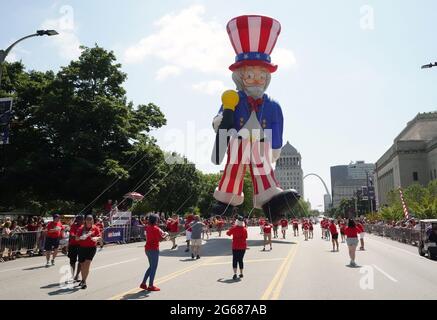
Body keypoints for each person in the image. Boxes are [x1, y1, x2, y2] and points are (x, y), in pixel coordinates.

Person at [140, 214, 168, 292]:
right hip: (153, 249)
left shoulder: (148, 227)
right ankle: (151, 285)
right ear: (156, 220)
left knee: (151, 267)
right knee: (153, 268)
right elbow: (161, 239)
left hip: (147, 249)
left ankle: (143, 283)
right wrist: (166, 235)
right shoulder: (156, 228)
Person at [76, 215, 101, 289]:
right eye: (88, 220)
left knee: (87, 265)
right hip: (81, 248)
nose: (89, 221)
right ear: (85, 221)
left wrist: (97, 238)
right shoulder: (81, 228)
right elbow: (76, 238)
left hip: (91, 248)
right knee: (82, 265)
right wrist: (81, 237)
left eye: (91, 220)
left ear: (93, 220)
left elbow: (100, 237)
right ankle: (83, 280)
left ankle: (84, 281)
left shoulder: (95, 228)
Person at [226, 216, 248, 280]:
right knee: (241, 260)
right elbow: (246, 237)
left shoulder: (234, 228)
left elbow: (228, 233)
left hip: (235, 246)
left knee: (235, 259)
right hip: (243, 246)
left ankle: (235, 273)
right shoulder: (244, 229)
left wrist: (231, 229)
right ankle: (241, 273)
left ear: (237, 222)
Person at [67, 215, 83, 283]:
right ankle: (72, 276)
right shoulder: (73, 226)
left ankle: (77, 275)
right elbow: (71, 235)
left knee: (80, 261)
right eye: (79, 219)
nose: (80, 221)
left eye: (81, 220)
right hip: (73, 245)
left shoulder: (83, 227)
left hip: (81, 246)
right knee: (72, 261)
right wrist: (79, 237)